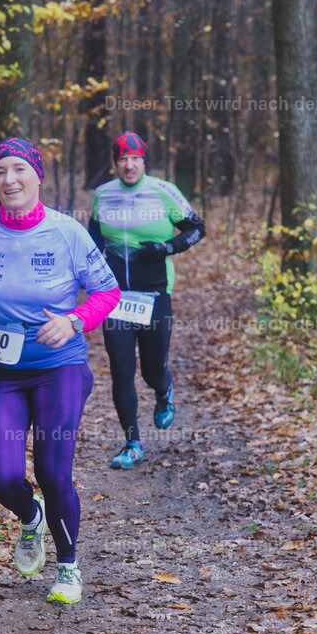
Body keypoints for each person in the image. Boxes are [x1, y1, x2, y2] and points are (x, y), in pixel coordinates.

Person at [0, 138, 119, 604]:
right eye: (1, 171)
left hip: (57, 366)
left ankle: (68, 568)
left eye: (19, 169)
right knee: (0, 476)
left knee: (52, 469)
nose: (9, 179)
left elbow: (107, 292)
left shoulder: (67, 232)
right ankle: (30, 516)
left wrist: (75, 320)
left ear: (38, 176)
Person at [88, 131, 205, 470]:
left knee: (153, 370)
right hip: (115, 297)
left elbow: (197, 229)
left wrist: (167, 248)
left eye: (135, 158)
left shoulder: (163, 191)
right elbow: (93, 239)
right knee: (122, 371)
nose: (129, 165)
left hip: (154, 295)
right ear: (116, 164)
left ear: (144, 161)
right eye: (123, 159)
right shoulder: (102, 196)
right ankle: (132, 443)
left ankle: (163, 391)